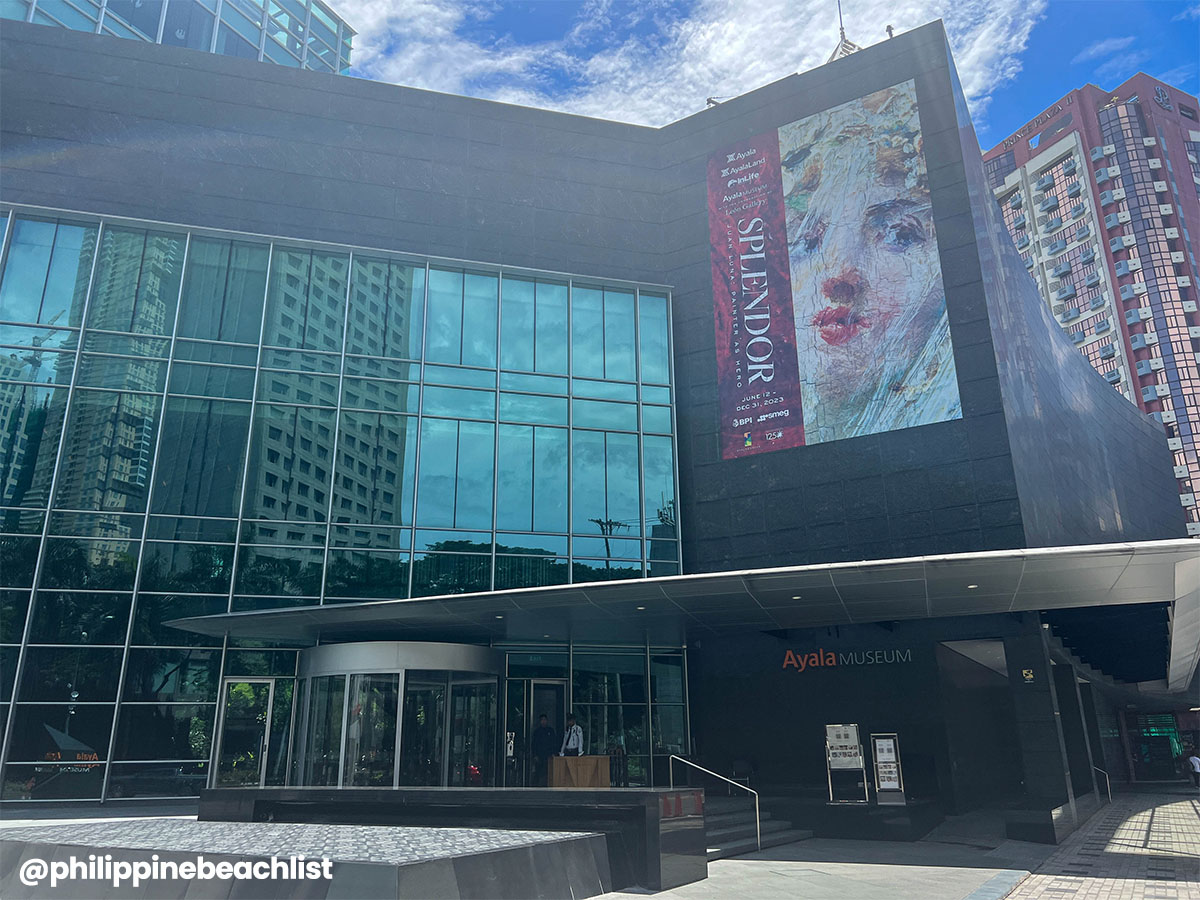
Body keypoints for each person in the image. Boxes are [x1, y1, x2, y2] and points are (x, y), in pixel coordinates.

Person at [530, 713, 558, 786]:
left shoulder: (550, 731)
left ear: (547, 721)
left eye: (545, 720)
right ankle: (536, 786)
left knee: (548, 771)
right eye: (542, 720)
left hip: (548, 755)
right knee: (538, 771)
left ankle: (548, 785)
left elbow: (554, 743)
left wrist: (554, 753)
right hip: (539, 755)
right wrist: (535, 755)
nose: (543, 721)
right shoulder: (537, 732)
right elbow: (534, 744)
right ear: (540, 721)